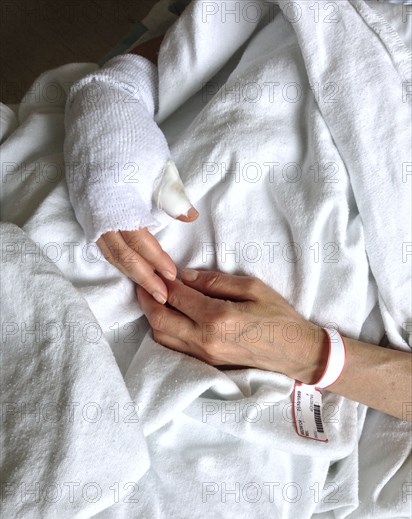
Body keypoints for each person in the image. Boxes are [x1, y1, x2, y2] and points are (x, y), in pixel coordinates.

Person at [63, 2, 411, 423]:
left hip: (280, 382)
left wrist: (311, 354)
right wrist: (108, 106)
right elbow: (184, 43)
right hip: (106, 207)